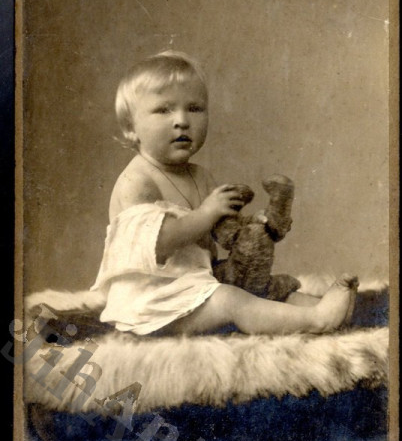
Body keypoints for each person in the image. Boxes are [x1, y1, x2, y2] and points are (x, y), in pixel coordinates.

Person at [91, 51, 357, 337]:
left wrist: (253, 228)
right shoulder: (137, 181)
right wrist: (207, 212)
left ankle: (318, 308)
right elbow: (159, 243)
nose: (182, 120)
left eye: (194, 108)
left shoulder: (200, 176)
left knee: (255, 286)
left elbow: (223, 232)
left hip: (195, 282)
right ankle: (317, 319)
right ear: (131, 128)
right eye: (164, 110)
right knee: (230, 299)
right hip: (155, 301)